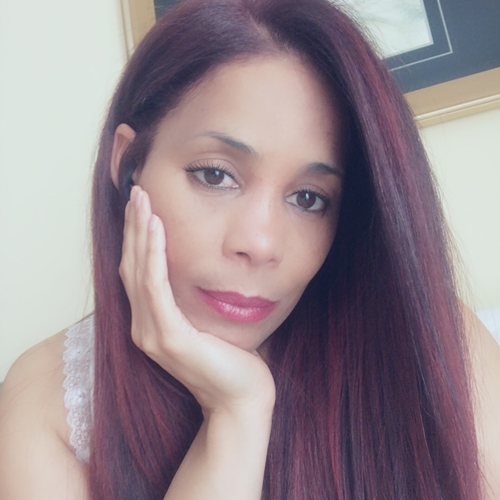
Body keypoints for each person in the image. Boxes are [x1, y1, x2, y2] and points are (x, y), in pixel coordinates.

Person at [1, 0, 499, 498]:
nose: (260, 244)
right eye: (215, 175)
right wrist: (237, 411)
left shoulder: (432, 340)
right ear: (128, 163)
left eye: (308, 199)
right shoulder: (45, 401)